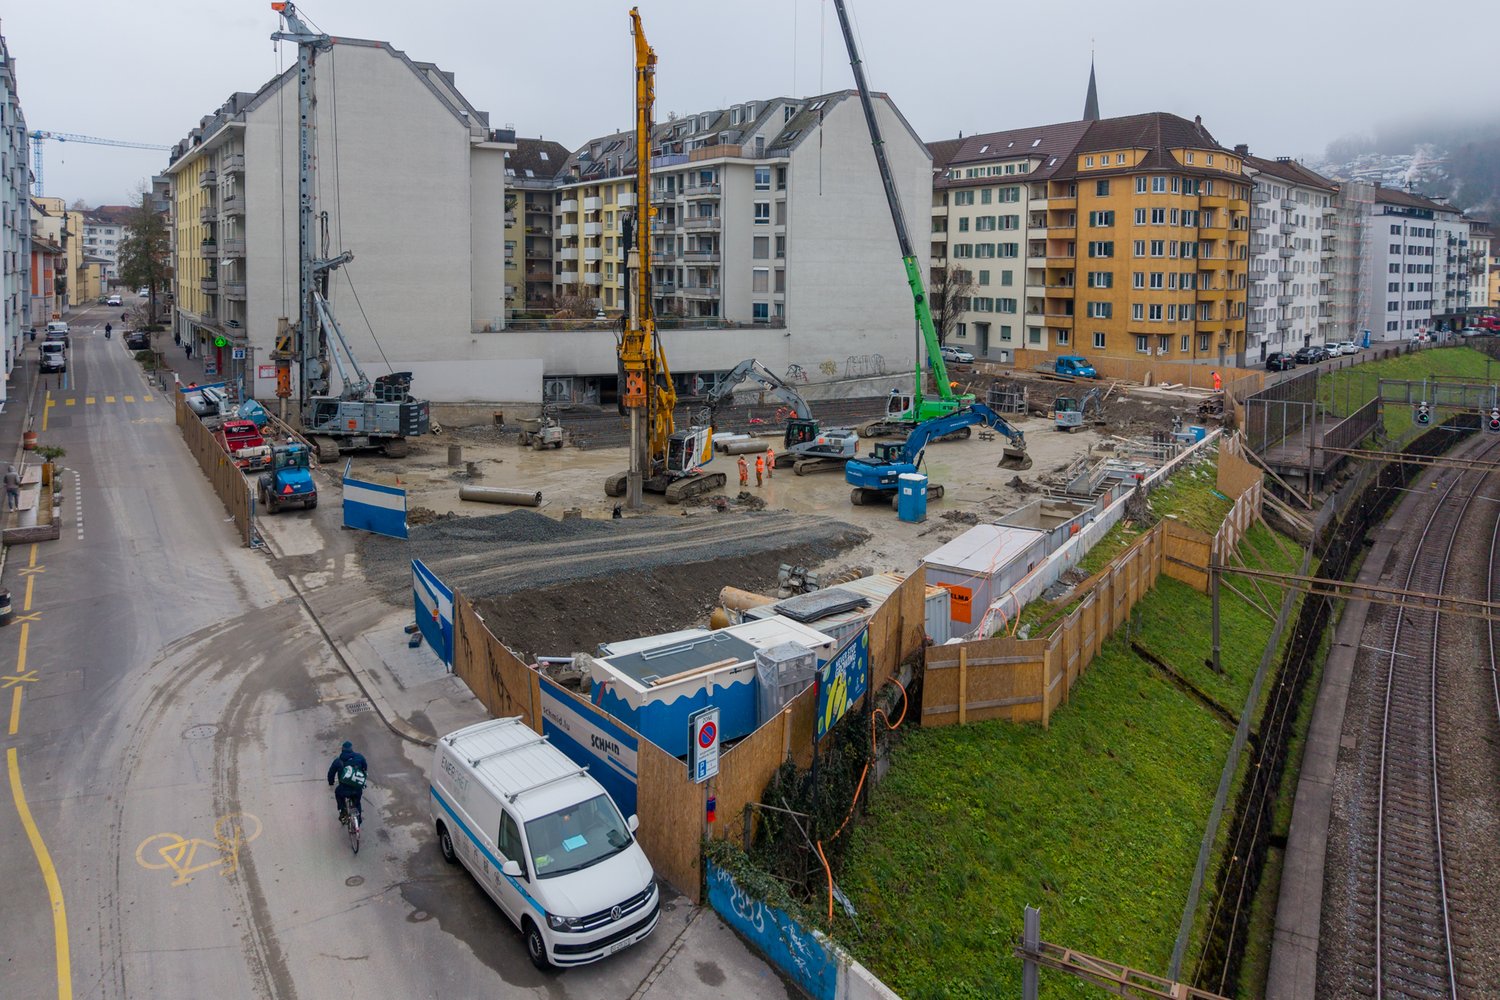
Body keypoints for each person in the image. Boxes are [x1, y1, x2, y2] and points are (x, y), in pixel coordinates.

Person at [327, 740, 368, 823]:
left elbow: (331, 773)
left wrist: (331, 782)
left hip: (344, 789)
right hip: (357, 788)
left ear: (342, 750)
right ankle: (358, 820)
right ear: (351, 749)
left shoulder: (338, 761)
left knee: (338, 793)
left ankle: (343, 811)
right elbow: (365, 767)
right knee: (357, 803)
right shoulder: (360, 757)